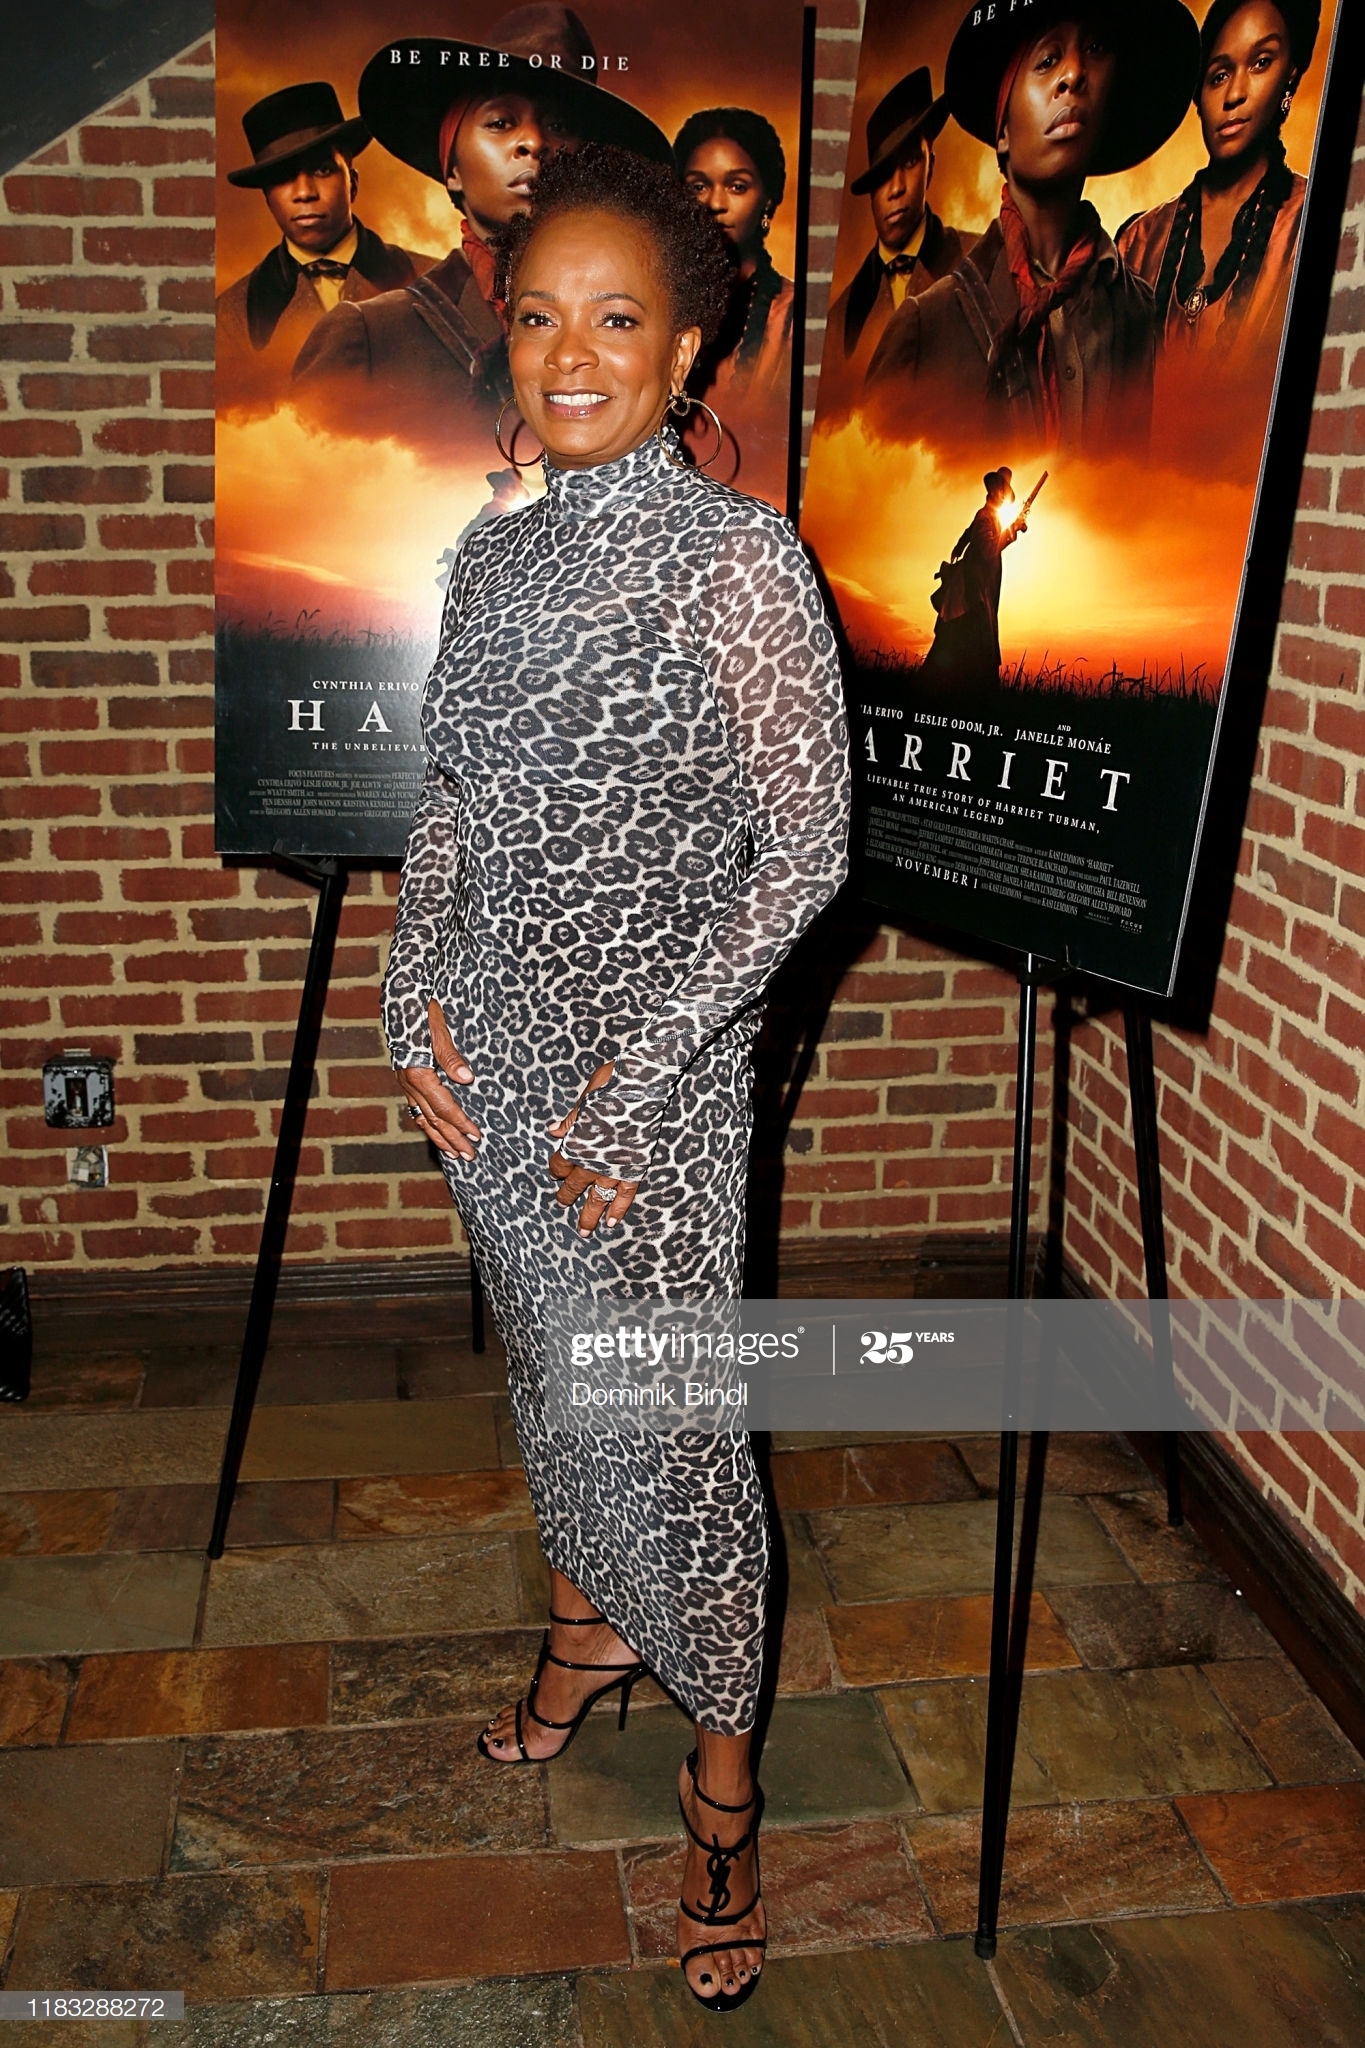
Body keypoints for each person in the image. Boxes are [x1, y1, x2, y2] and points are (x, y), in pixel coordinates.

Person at [382, 144, 850, 2010]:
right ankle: (586, 1634)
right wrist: (409, 1002)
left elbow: (806, 854)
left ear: (688, 343)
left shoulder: (743, 562)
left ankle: (724, 1784)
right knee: (553, 1382)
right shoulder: (491, 554)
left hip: (648, 1099)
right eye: (538, 317)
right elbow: (452, 803)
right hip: (491, 1071)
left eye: (617, 319)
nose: (570, 355)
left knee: (680, 1438)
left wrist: (640, 1081)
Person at [292, 8, 670, 453]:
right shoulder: (369, 337)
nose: (534, 142)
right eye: (500, 123)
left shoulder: (640, 333)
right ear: (452, 168)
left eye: (559, 125)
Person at [865, 1, 1201, 459]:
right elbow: (863, 496)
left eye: (1095, 49)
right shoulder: (926, 328)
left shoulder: (1140, 315)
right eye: (1047, 61)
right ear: (1001, 130)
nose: (1074, 74)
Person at [1118, 0, 1318, 414]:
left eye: (1261, 63)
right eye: (1219, 75)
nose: (1234, 94)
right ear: (1198, 94)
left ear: (1291, 76)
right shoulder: (1137, 243)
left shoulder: (1308, 224)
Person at [216, 82, 430, 397]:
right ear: (267, 198)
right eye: (283, 177)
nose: (304, 193)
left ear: (352, 183)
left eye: (322, 169)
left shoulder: (437, 281)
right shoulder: (227, 319)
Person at [825, 66, 971, 398]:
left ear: (930, 167)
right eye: (882, 174)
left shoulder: (982, 262)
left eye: (909, 163)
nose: (896, 189)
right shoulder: (838, 322)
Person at [674, 107, 794, 498]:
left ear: (768, 200)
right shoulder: (656, 308)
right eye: (698, 186)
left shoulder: (792, 318)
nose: (715, 203)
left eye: (737, 186)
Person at [921, 466, 1029, 682]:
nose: (1002, 494)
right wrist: (1013, 529)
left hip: (980, 589)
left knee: (967, 645)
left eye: (1004, 491)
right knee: (974, 645)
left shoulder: (989, 516)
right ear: (993, 490)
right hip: (974, 591)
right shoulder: (985, 517)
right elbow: (988, 550)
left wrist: (960, 545)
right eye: (1000, 489)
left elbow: (969, 534)